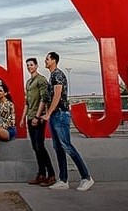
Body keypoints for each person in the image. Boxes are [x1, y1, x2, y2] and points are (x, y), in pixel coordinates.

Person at [41, 51, 94, 191]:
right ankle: (63, 180)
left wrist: (49, 113)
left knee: (67, 146)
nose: (45, 61)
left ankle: (86, 177)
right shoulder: (52, 76)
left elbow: (57, 95)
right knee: (58, 148)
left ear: (54, 60)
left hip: (60, 115)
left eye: (47, 59)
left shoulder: (58, 74)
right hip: (54, 116)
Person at [20, 57, 55, 186]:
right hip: (30, 117)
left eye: (31, 64)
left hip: (38, 118)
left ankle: (51, 174)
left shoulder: (41, 80)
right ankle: (41, 174)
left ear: (36, 66)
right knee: (35, 147)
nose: (29, 67)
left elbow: (44, 99)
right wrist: (23, 118)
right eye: (27, 65)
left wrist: (37, 116)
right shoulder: (28, 82)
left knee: (40, 146)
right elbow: (27, 103)